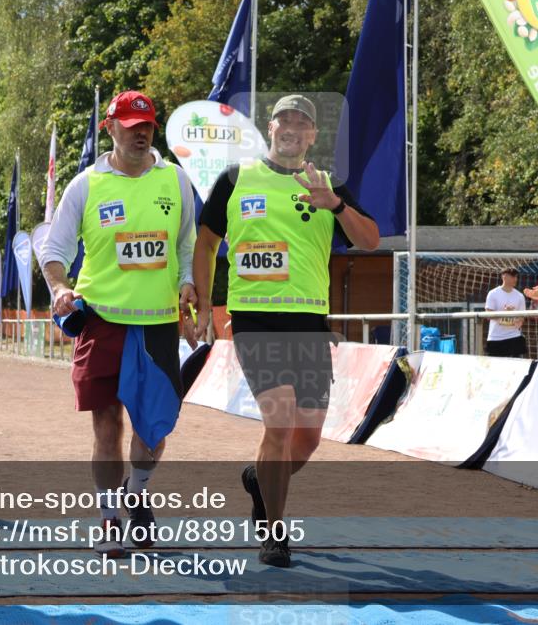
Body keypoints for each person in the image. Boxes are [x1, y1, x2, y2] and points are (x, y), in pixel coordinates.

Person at [193, 95, 380, 567]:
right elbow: (207, 243)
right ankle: (274, 533)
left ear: (313, 135)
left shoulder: (328, 184)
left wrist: (336, 205)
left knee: (307, 439)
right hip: (255, 321)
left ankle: (260, 479)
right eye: (284, 120)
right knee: (278, 424)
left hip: (310, 323)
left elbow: (370, 240)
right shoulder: (235, 179)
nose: (293, 128)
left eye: (303, 122)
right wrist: (203, 303)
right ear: (270, 128)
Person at [39, 90, 196, 558]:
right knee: (107, 426)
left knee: (154, 431)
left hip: (159, 326)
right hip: (102, 321)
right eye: (130, 127)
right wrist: (60, 289)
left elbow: (186, 244)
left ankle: (137, 492)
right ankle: (109, 517)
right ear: (110, 128)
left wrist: (188, 282)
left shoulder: (175, 179)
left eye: (146, 126)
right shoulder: (86, 185)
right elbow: (54, 251)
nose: (140, 134)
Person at [485, 268, 528, 358]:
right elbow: (488, 314)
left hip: (514, 337)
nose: (515, 279)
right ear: (504, 276)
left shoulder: (520, 296)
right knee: (495, 365)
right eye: (512, 276)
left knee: (516, 365)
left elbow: (521, 317)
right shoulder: (493, 293)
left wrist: (516, 320)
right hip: (496, 338)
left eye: (516, 276)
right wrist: (505, 314)